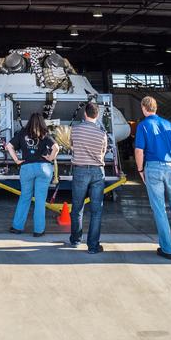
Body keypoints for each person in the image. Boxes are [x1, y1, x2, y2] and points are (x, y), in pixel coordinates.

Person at [134, 96, 171, 260]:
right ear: (156, 108)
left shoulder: (143, 125)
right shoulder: (168, 124)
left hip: (153, 167)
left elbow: (139, 151)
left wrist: (140, 170)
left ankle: (168, 249)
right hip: (170, 168)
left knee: (159, 209)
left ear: (144, 108)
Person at [5, 113, 58, 237]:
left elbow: (9, 146)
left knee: (25, 197)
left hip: (27, 168)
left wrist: (17, 160)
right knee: (40, 200)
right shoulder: (45, 133)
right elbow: (56, 147)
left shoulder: (23, 133)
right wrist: (50, 158)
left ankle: (17, 227)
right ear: (42, 122)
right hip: (44, 168)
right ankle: (38, 231)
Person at [68, 100, 109, 253]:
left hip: (80, 170)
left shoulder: (75, 130)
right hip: (98, 171)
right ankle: (93, 246)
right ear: (97, 116)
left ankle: (76, 240)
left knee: (77, 207)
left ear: (85, 114)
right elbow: (103, 152)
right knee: (96, 210)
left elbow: (72, 146)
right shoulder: (102, 134)